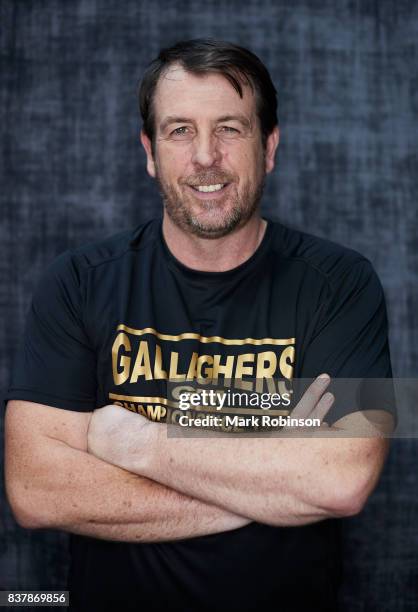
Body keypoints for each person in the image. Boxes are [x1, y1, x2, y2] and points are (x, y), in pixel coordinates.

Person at [5, 39, 394, 612]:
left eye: (230, 129)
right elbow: (35, 490)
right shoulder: (78, 283)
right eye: (180, 130)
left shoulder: (340, 283)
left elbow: (341, 481)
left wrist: (134, 442)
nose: (205, 155)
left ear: (269, 147)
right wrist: (276, 476)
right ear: (150, 151)